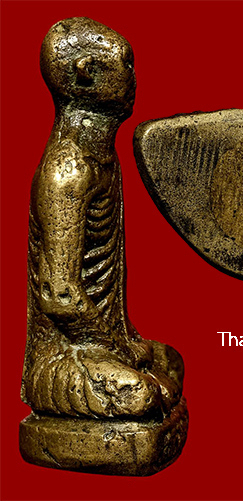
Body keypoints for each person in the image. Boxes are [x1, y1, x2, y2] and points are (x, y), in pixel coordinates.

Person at [22, 17, 183, 418]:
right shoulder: (68, 170)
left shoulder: (102, 158)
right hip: (66, 354)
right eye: (126, 64)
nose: (134, 78)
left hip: (106, 339)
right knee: (140, 394)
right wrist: (118, 346)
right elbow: (59, 295)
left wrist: (128, 341)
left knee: (170, 362)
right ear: (87, 74)